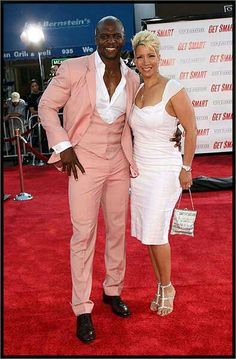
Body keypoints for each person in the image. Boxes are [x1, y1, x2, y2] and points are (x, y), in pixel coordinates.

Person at [38, 17, 180, 343]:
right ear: (96, 37)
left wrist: (175, 133)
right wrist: (63, 145)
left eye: (116, 35)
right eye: (105, 35)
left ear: (123, 38)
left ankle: (112, 290)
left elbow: (150, 112)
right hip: (83, 161)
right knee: (83, 234)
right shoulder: (74, 69)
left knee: (117, 231)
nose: (111, 40)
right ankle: (82, 307)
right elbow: (46, 106)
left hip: (118, 162)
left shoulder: (133, 78)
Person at [129, 30, 197, 317]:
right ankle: (159, 285)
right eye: (140, 56)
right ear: (134, 59)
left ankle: (168, 286)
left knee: (157, 233)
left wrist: (186, 167)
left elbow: (191, 129)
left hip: (165, 170)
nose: (146, 62)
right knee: (148, 233)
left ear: (159, 57)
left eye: (151, 56)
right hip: (140, 172)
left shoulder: (173, 88)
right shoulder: (136, 89)